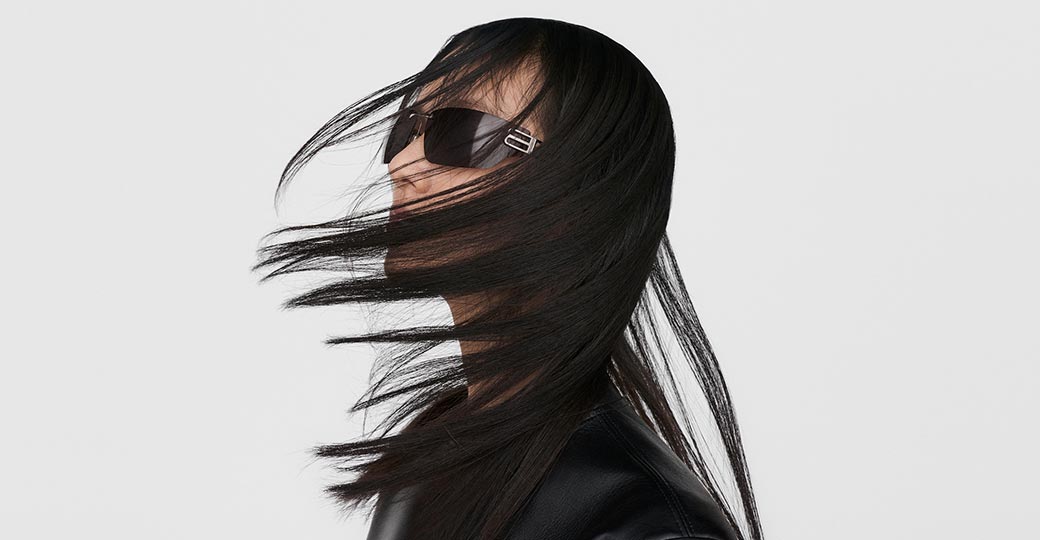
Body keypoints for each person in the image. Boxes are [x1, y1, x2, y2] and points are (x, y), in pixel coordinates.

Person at [253, 16, 764, 540]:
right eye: (407, 129)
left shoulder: (649, 527)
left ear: (582, 194)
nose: (401, 164)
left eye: (463, 132)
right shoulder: (431, 456)